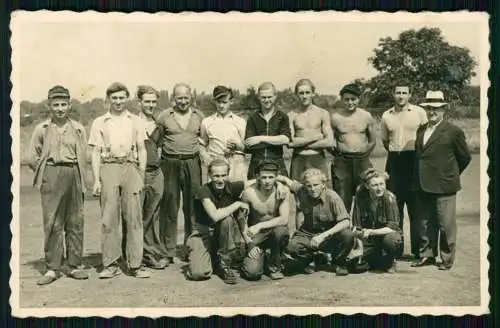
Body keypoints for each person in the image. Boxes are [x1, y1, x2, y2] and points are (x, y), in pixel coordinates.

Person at [88, 82, 150, 279]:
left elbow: (141, 149)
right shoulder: (100, 122)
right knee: (109, 217)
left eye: (122, 97)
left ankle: (135, 264)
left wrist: (141, 172)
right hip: (109, 167)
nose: (118, 101)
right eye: (114, 98)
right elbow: (95, 153)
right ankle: (111, 263)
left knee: (134, 217)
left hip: (130, 166)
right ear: (108, 99)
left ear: (127, 98)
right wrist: (97, 180)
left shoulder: (136, 121)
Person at [29, 86, 89, 285]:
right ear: (49, 106)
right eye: (56, 105)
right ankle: (53, 268)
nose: (60, 109)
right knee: (53, 222)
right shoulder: (42, 129)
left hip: (74, 173)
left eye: (64, 104)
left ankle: (74, 265)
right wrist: (45, 173)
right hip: (52, 173)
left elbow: (84, 155)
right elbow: (32, 156)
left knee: (76, 221)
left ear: (69, 105)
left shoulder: (79, 128)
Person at [411, 90, 471, 270]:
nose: (432, 112)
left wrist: (449, 174)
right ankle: (426, 255)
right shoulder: (421, 129)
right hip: (422, 183)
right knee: (424, 222)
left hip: (444, 185)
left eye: (436, 109)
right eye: (429, 108)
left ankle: (446, 258)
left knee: (445, 224)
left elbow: (464, 157)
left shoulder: (454, 131)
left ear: (444, 109)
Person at [153, 83, 205, 264]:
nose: (183, 101)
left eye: (186, 97)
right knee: (170, 206)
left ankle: (191, 249)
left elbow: (204, 140)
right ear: (173, 98)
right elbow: (155, 143)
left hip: (192, 162)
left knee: (193, 206)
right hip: (170, 163)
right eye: (179, 98)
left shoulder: (199, 116)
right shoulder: (164, 116)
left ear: (191, 97)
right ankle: (168, 252)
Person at [380, 82, 427, 259]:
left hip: (413, 160)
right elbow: (385, 141)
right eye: (398, 92)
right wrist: (395, 153)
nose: (401, 96)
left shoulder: (419, 113)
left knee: (415, 207)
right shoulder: (386, 115)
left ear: (410, 95)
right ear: (393, 94)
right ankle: (396, 249)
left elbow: (425, 137)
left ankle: (417, 251)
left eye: (404, 92)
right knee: (394, 206)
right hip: (394, 161)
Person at [277, 168, 354, 276]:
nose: (312, 189)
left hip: (328, 236)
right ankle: (311, 259)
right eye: (309, 186)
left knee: (348, 235)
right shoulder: (302, 190)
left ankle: (338, 262)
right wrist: (278, 184)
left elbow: (345, 222)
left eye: (316, 185)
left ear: (323, 184)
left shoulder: (332, 197)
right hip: (308, 234)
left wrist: (323, 236)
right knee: (291, 247)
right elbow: (285, 180)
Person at [186, 159, 249, 284]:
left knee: (227, 220)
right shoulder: (203, 190)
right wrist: (237, 203)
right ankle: (211, 257)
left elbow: (259, 181)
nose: (220, 180)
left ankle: (224, 264)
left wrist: (283, 182)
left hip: (222, 233)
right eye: (216, 176)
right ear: (209, 175)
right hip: (203, 234)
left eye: (224, 175)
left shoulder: (233, 187)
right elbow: (215, 216)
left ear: (228, 174)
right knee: (198, 273)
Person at [240, 160, 290, 280]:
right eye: (264, 177)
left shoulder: (283, 191)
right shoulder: (249, 193)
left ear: (276, 178)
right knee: (252, 273)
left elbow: (284, 219)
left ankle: (274, 265)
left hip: (274, 232)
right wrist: (250, 243)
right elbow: (242, 221)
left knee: (281, 232)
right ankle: (260, 256)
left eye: (271, 177)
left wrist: (261, 225)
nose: (267, 181)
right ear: (257, 177)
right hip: (256, 236)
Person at [136, 85, 169, 270]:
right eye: (147, 101)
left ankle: (149, 253)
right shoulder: (133, 123)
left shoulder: (158, 123)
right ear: (139, 102)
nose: (150, 105)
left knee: (153, 214)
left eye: (153, 102)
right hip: (138, 172)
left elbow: (159, 148)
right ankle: (136, 253)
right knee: (137, 214)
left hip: (156, 173)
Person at [330, 83, 376, 212]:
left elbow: (372, 141)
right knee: (342, 198)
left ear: (359, 99)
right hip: (342, 162)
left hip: (362, 161)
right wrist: (337, 155)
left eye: (353, 99)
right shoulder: (335, 117)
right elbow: (329, 140)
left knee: (366, 196)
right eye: (346, 99)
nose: (350, 102)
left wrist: (364, 156)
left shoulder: (366, 116)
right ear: (342, 99)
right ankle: (343, 230)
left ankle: (364, 230)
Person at [351, 168, 403, 273]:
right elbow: (357, 226)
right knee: (354, 265)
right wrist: (360, 250)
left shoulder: (390, 198)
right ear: (367, 186)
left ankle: (391, 260)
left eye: (381, 184)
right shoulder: (360, 197)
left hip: (386, 237)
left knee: (391, 239)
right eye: (374, 185)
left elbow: (392, 228)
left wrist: (371, 232)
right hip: (368, 240)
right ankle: (375, 258)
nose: (379, 188)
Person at [288, 79, 334, 188]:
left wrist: (300, 144)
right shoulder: (291, 115)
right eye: (301, 93)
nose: (304, 96)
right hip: (299, 159)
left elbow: (329, 142)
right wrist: (316, 137)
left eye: (307, 93)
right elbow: (290, 143)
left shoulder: (323, 113)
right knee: (297, 193)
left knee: (323, 191)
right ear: (296, 95)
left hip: (318, 158)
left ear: (313, 93)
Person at [244, 82, 291, 179]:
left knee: (284, 191)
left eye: (269, 97)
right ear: (259, 97)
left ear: (275, 96)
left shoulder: (282, 117)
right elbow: (250, 144)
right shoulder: (252, 118)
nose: (267, 100)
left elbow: (285, 139)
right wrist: (275, 140)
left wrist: (261, 138)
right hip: (257, 163)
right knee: (252, 193)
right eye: (263, 97)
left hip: (277, 162)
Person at [200, 85, 247, 182]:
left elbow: (247, 146)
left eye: (224, 102)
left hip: (236, 164)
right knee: (215, 194)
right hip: (216, 165)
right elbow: (202, 144)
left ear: (231, 101)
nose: (221, 106)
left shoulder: (240, 121)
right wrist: (206, 158)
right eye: (218, 102)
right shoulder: (207, 122)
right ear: (214, 101)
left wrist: (238, 146)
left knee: (236, 193)